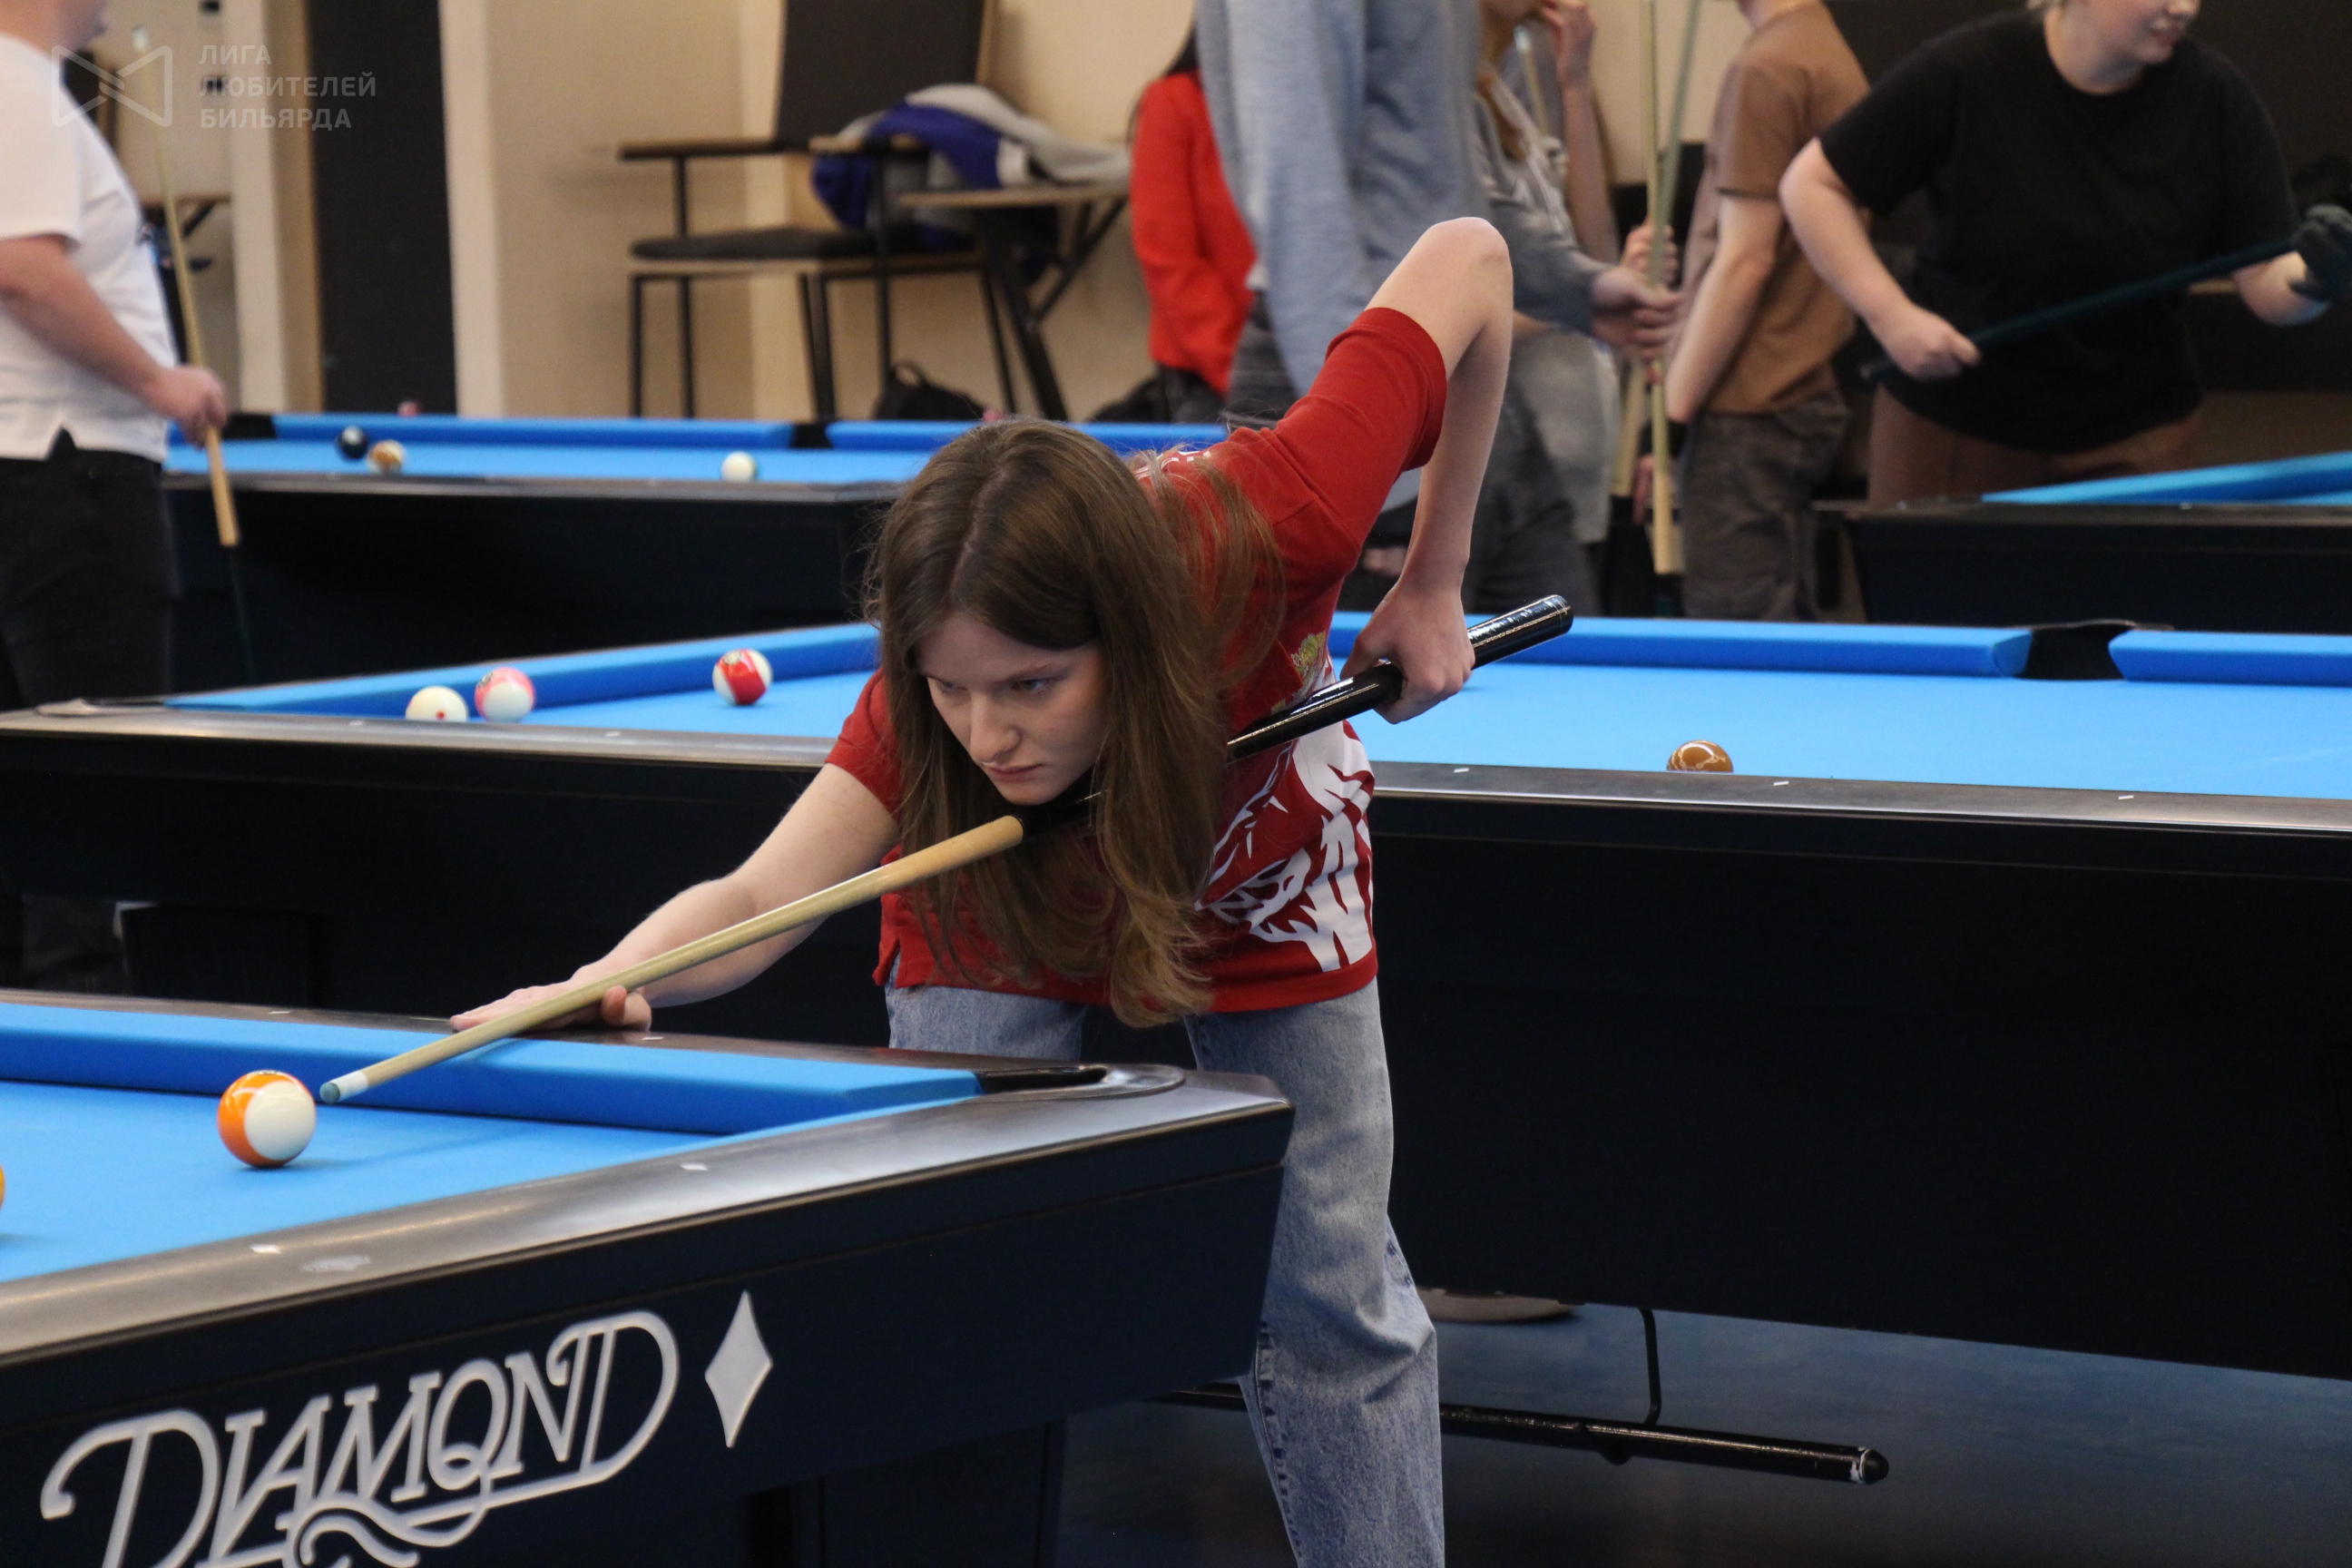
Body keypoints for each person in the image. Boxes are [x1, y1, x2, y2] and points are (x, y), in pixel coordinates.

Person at [460, 218, 1517, 1568]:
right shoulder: (936, 740)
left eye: (1031, 684)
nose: (989, 732)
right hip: (1000, 904)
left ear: (1126, 637)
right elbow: (758, 895)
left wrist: (1432, 578)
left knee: (1332, 1297)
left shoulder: (1278, 517)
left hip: (1255, 867)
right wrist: (601, 980)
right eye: (952, 688)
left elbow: (1473, 260)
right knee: (952, 1291)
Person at [1779, 0, 2352, 503]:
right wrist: (1890, 317)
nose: (2183, 7)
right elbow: (1812, 186)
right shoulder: (1964, 71)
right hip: (1956, 422)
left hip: (2136, 431)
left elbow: (2269, 282)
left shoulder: (2215, 98)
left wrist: (2318, 277)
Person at [0, 0, 225, 987]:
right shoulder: (19, 89)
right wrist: (158, 382)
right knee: (91, 816)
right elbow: (23, 270)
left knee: (36, 808)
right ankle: (86, 1035)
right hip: (71, 474)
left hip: (35, 469)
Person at [1466, 0, 1679, 614]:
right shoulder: (1454, 105)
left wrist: (1576, 83)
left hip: (1571, 451)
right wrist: (1580, 303)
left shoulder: (1507, 93)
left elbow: (1589, 247)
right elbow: (1461, 310)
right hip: (1508, 450)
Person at [1661, 0, 1865, 621]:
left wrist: (1673, 410)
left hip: (1746, 403)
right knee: (1783, 628)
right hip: (1790, 393)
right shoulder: (1823, 50)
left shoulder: (1770, 67)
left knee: (1737, 640)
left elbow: (1745, 259)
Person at [1130, 26, 1256, 424]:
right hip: (1212, 374)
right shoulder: (1175, 101)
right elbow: (1168, 259)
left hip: (1315, 361)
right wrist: (1245, 372)